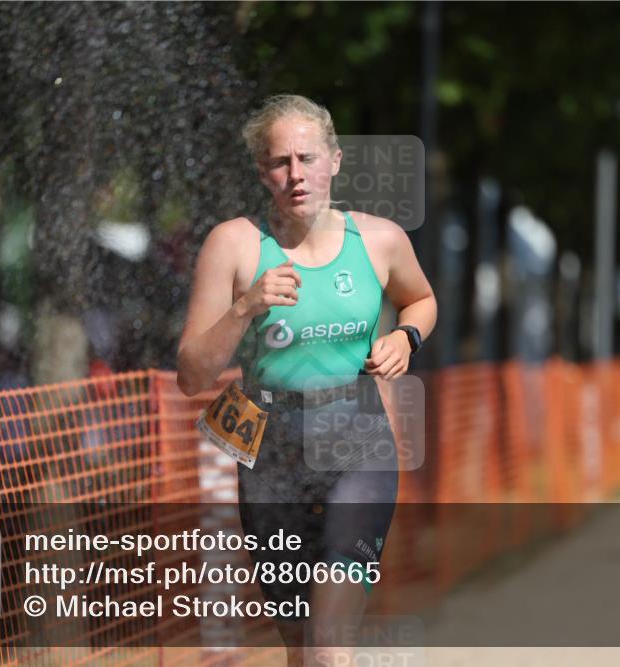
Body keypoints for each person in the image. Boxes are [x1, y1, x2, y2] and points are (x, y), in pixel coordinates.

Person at [176, 94, 437, 665]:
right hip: (271, 454)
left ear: (335, 161)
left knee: (326, 645)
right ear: (261, 170)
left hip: (357, 441)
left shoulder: (380, 239)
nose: (296, 174)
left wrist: (405, 338)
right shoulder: (235, 244)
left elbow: (420, 299)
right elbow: (192, 375)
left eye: (308, 157)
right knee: (299, 646)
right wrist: (245, 307)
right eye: (279, 161)